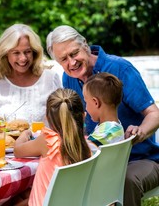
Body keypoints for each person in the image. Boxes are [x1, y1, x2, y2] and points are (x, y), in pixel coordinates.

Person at [46, 25, 159, 206]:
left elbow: (154, 114)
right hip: (97, 161)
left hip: (141, 159)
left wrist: (140, 132)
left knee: (127, 181)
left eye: (74, 53)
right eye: (64, 59)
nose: (72, 62)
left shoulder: (120, 68)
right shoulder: (69, 78)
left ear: (85, 45)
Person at [13, 88, 92, 205]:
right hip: (69, 201)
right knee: (23, 194)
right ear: (83, 116)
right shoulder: (86, 145)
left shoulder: (48, 140)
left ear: (47, 117)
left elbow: (17, 150)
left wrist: (25, 133)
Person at [0, 24, 61, 122]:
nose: (23, 58)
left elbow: (62, 120)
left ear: (34, 52)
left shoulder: (50, 78)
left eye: (27, 52)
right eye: (16, 53)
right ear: (5, 54)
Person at [83, 72, 125, 146]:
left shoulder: (105, 134)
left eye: (86, 102)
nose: (86, 108)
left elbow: (80, 152)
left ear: (96, 102)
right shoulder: (115, 127)